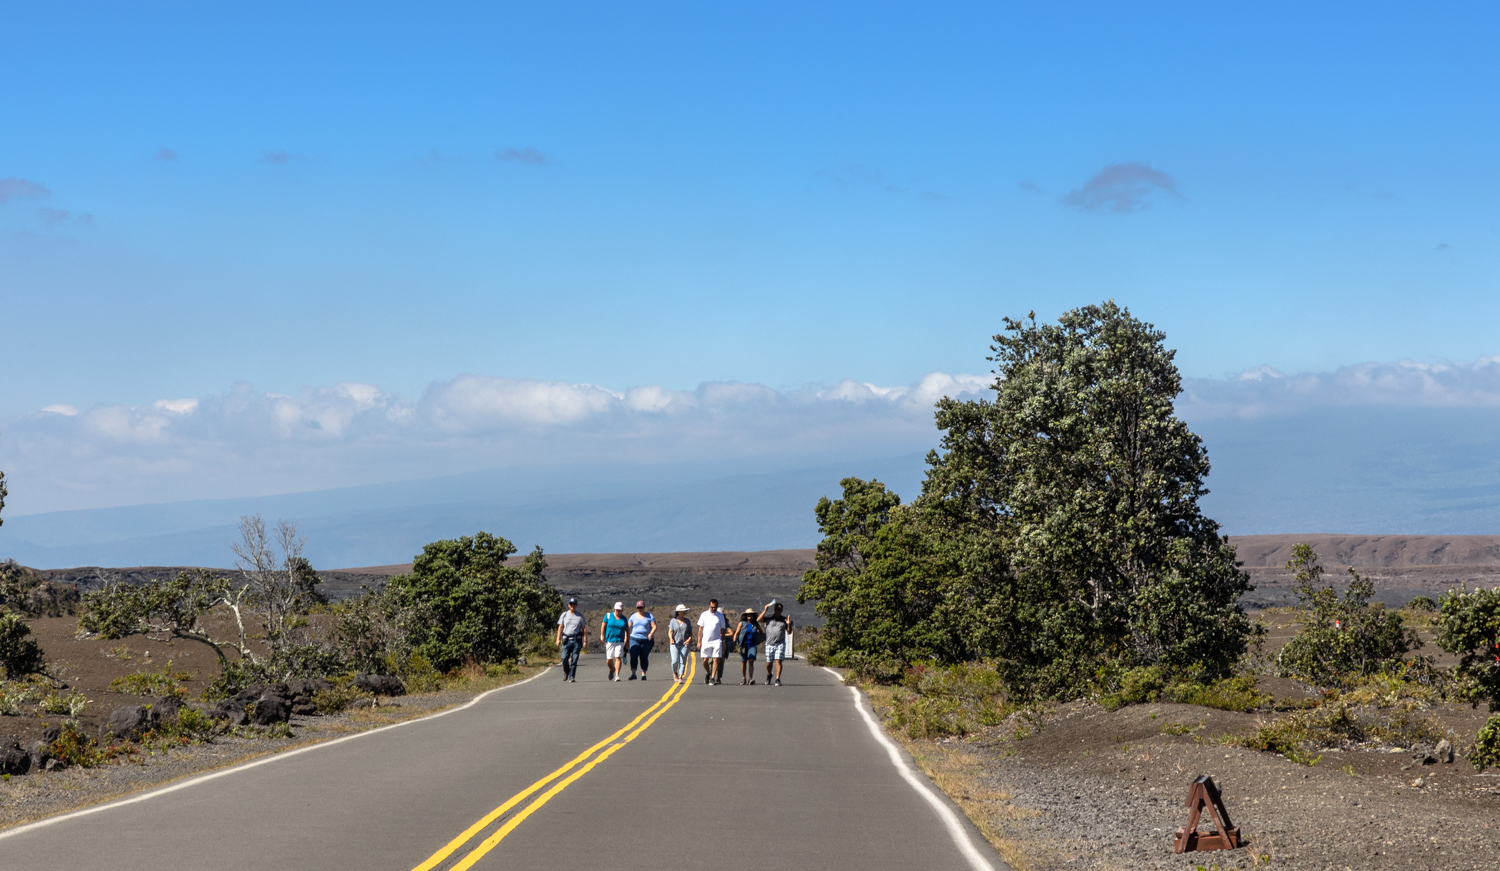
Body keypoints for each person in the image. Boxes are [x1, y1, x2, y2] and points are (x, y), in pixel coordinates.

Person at [759, 600, 793, 686]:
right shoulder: (769, 617)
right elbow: (758, 620)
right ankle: (769, 674)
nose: (777, 611)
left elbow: (789, 632)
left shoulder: (784, 620)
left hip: (780, 643)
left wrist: (788, 624)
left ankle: (777, 679)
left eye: (779, 609)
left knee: (778, 661)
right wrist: (765, 610)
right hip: (769, 643)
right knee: (769, 662)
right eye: (776, 609)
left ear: (781, 610)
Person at [554, 597, 587, 682]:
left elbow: (584, 629)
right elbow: (560, 627)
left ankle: (572, 676)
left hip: (577, 640)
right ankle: (566, 672)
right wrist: (558, 639)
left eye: (574, 604)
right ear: (569, 605)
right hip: (566, 640)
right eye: (571, 604)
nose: (572, 606)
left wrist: (585, 641)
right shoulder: (564, 615)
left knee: (574, 659)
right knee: (564, 658)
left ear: (576, 605)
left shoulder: (580, 616)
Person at [696, 599, 727, 685]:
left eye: (715, 607)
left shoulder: (720, 616)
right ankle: (708, 673)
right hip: (706, 641)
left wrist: (723, 641)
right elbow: (700, 629)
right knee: (705, 660)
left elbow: (722, 629)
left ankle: (712, 678)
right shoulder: (704, 615)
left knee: (715, 659)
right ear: (709, 606)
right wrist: (699, 641)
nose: (713, 609)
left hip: (716, 640)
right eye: (712, 607)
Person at [627, 600, 656, 680]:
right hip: (634, 638)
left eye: (641, 607)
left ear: (644, 607)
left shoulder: (649, 616)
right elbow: (628, 626)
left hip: (646, 640)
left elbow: (654, 626)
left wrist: (651, 633)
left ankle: (644, 673)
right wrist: (626, 635)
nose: (640, 609)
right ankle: (633, 673)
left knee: (644, 656)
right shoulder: (633, 616)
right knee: (633, 655)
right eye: (638, 607)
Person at [600, 601, 629, 682]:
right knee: (609, 659)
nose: (617, 611)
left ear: (622, 610)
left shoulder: (624, 619)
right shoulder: (608, 616)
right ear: (614, 608)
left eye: (619, 610)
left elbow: (627, 630)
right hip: (609, 640)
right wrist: (602, 636)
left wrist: (627, 641)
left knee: (618, 657)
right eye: (616, 609)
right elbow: (603, 626)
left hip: (620, 640)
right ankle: (612, 669)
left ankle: (617, 675)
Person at [734, 608, 763, 685]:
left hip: (752, 645)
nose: (749, 616)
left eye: (751, 615)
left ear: (753, 616)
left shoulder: (756, 624)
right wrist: (735, 640)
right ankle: (743, 678)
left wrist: (760, 639)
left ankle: (751, 678)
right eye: (748, 615)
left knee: (751, 661)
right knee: (743, 662)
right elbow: (737, 632)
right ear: (746, 616)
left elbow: (761, 631)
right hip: (743, 645)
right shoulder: (742, 623)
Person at [666, 604, 693, 683]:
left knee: (683, 661)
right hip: (674, 643)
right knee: (674, 661)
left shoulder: (687, 621)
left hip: (684, 644)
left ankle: (680, 676)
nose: (684, 612)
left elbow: (690, 632)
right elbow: (670, 631)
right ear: (679, 612)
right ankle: (675, 672)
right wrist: (671, 639)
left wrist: (689, 639)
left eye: (684, 611)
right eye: (682, 611)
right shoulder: (673, 621)